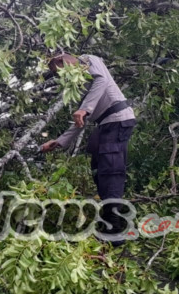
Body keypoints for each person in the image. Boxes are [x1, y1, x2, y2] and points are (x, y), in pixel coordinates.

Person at [40, 54, 136, 247]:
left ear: (63, 60)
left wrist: (85, 108)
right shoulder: (81, 83)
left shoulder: (89, 59)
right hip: (106, 124)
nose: (60, 75)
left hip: (117, 120)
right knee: (98, 168)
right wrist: (59, 142)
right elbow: (80, 121)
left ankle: (115, 232)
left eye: (57, 70)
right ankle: (109, 219)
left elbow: (102, 80)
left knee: (110, 173)